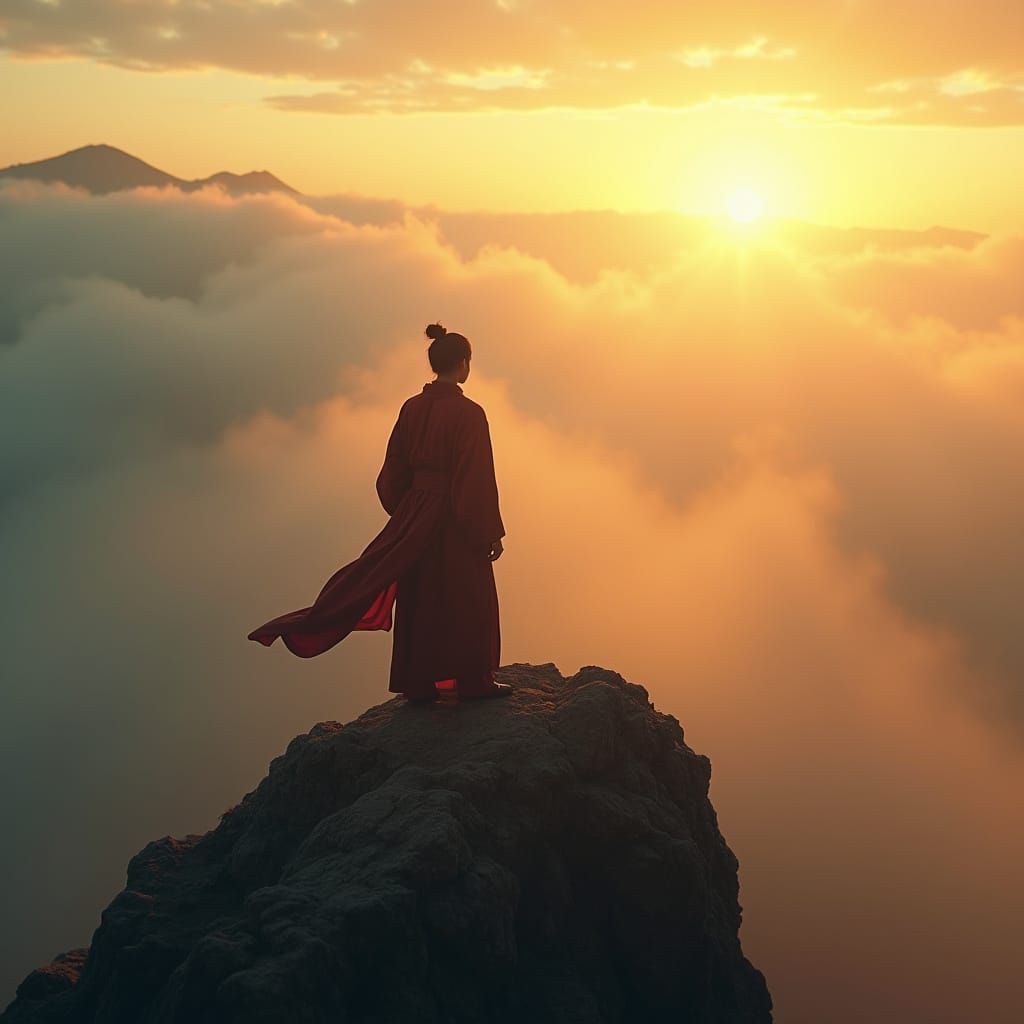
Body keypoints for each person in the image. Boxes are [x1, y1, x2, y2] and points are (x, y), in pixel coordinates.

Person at [247, 322, 512, 703]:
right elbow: (475, 477)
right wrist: (488, 530)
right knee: (466, 597)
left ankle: (419, 686)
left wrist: (407, 513)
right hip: (454, 518)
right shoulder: (469, 414)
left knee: (420, 599)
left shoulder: (412, 408)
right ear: (464, 364)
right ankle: (474, 682)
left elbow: (393, 471)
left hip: (415, 514)